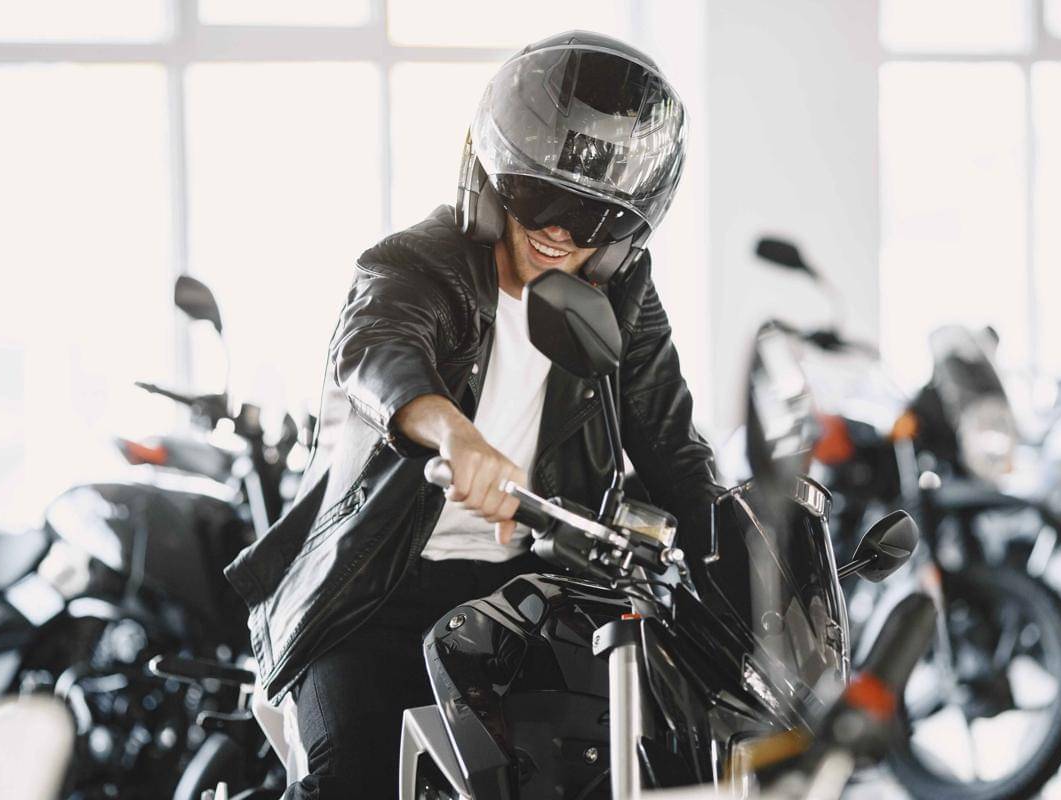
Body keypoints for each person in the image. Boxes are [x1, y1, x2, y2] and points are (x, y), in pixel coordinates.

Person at [224, 30, 720, 799]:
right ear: (493, 179)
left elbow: (671, 443)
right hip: (375, 591)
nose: (559, 231)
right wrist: (454, 436)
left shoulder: (621, 292)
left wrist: (757, 567)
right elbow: (380, 351)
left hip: (530, 593)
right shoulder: (420, 263)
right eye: (540, 197)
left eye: (591, 216)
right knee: (351, 778)